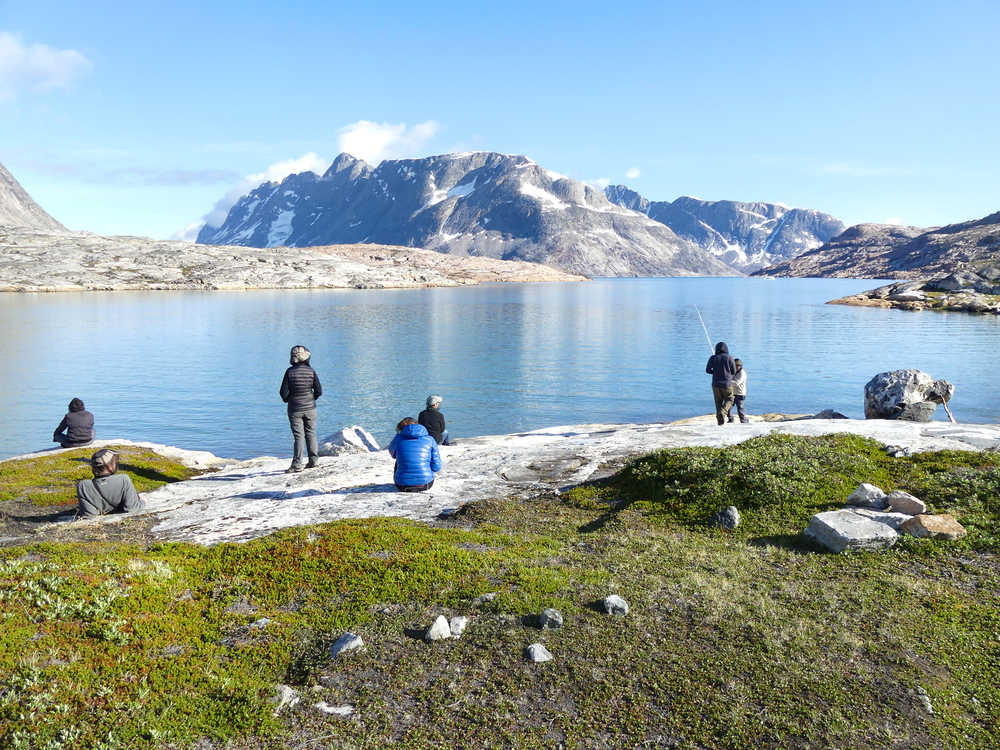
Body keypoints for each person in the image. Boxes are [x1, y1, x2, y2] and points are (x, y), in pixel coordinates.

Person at [279, 345, 322, 473]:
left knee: (298, 436)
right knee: (311, 434)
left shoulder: (289, 372)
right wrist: (312, 398)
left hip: (294, 408)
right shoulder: (311, 371)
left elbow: (283, 393)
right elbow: (319, 391)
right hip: (311, 408)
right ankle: (313, 461)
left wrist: (289, 400)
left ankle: (297, 465)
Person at [76, 448, 143, 518]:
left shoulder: (83, 486)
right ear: (110, 466)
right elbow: (132, 509)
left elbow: (89, 515)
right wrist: (142, 502)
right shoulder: (124, 479)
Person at [387, 417, 441, 492]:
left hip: (402, 486)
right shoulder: (430, 439)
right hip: (425, 484)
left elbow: (393, 454)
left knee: (399, 460)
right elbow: (436, 467)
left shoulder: (398, 439)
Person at [705, 341, 737, 426]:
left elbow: (708, 370)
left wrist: (715, 372)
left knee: (718, 402)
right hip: (727, 384)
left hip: (715, 384)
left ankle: (720, 422)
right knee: (730, 399)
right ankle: (723, 412)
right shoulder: (730, 358)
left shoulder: (713, 358)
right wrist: (728, 375)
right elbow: (734, 371)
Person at [727, 358, 749, 424]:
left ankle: (743, 421)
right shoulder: (732, 371)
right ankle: (731, 419)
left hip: (740, 394)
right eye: (734, 366)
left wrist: (727, 381)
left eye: (737, 366)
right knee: (728, 407)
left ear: (740, 366)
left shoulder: (742, 373)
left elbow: (736, 383)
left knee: (740, 408)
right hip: (733, 393)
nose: (736, 367)